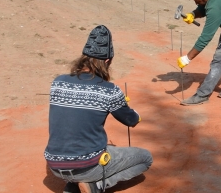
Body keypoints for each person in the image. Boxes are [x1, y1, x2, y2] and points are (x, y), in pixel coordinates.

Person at [45, 25, 152, 193]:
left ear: (84, 57)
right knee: (145, 158)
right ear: (107, 61)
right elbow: (131, 120)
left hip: (55, 165)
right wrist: (126, 107)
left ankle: (73, 185)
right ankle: (95, 185)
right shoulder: (109, 90)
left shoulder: (58, 82)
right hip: (87, 166)